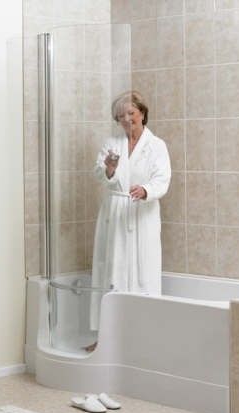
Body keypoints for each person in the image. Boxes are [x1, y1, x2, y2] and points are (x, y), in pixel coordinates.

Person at [86, 91, 171, 352]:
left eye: (131, 114)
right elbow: (100, 174)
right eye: (121, 116)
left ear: (142, 113)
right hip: (115, 214)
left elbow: (162, 179)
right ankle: (107, 339)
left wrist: (145, 190)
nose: (127, 120)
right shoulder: (112, 143)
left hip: (141, 215)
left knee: (142, 270)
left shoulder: (157, 145)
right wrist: (109, 169)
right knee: (112, 270)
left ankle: (144, 340)